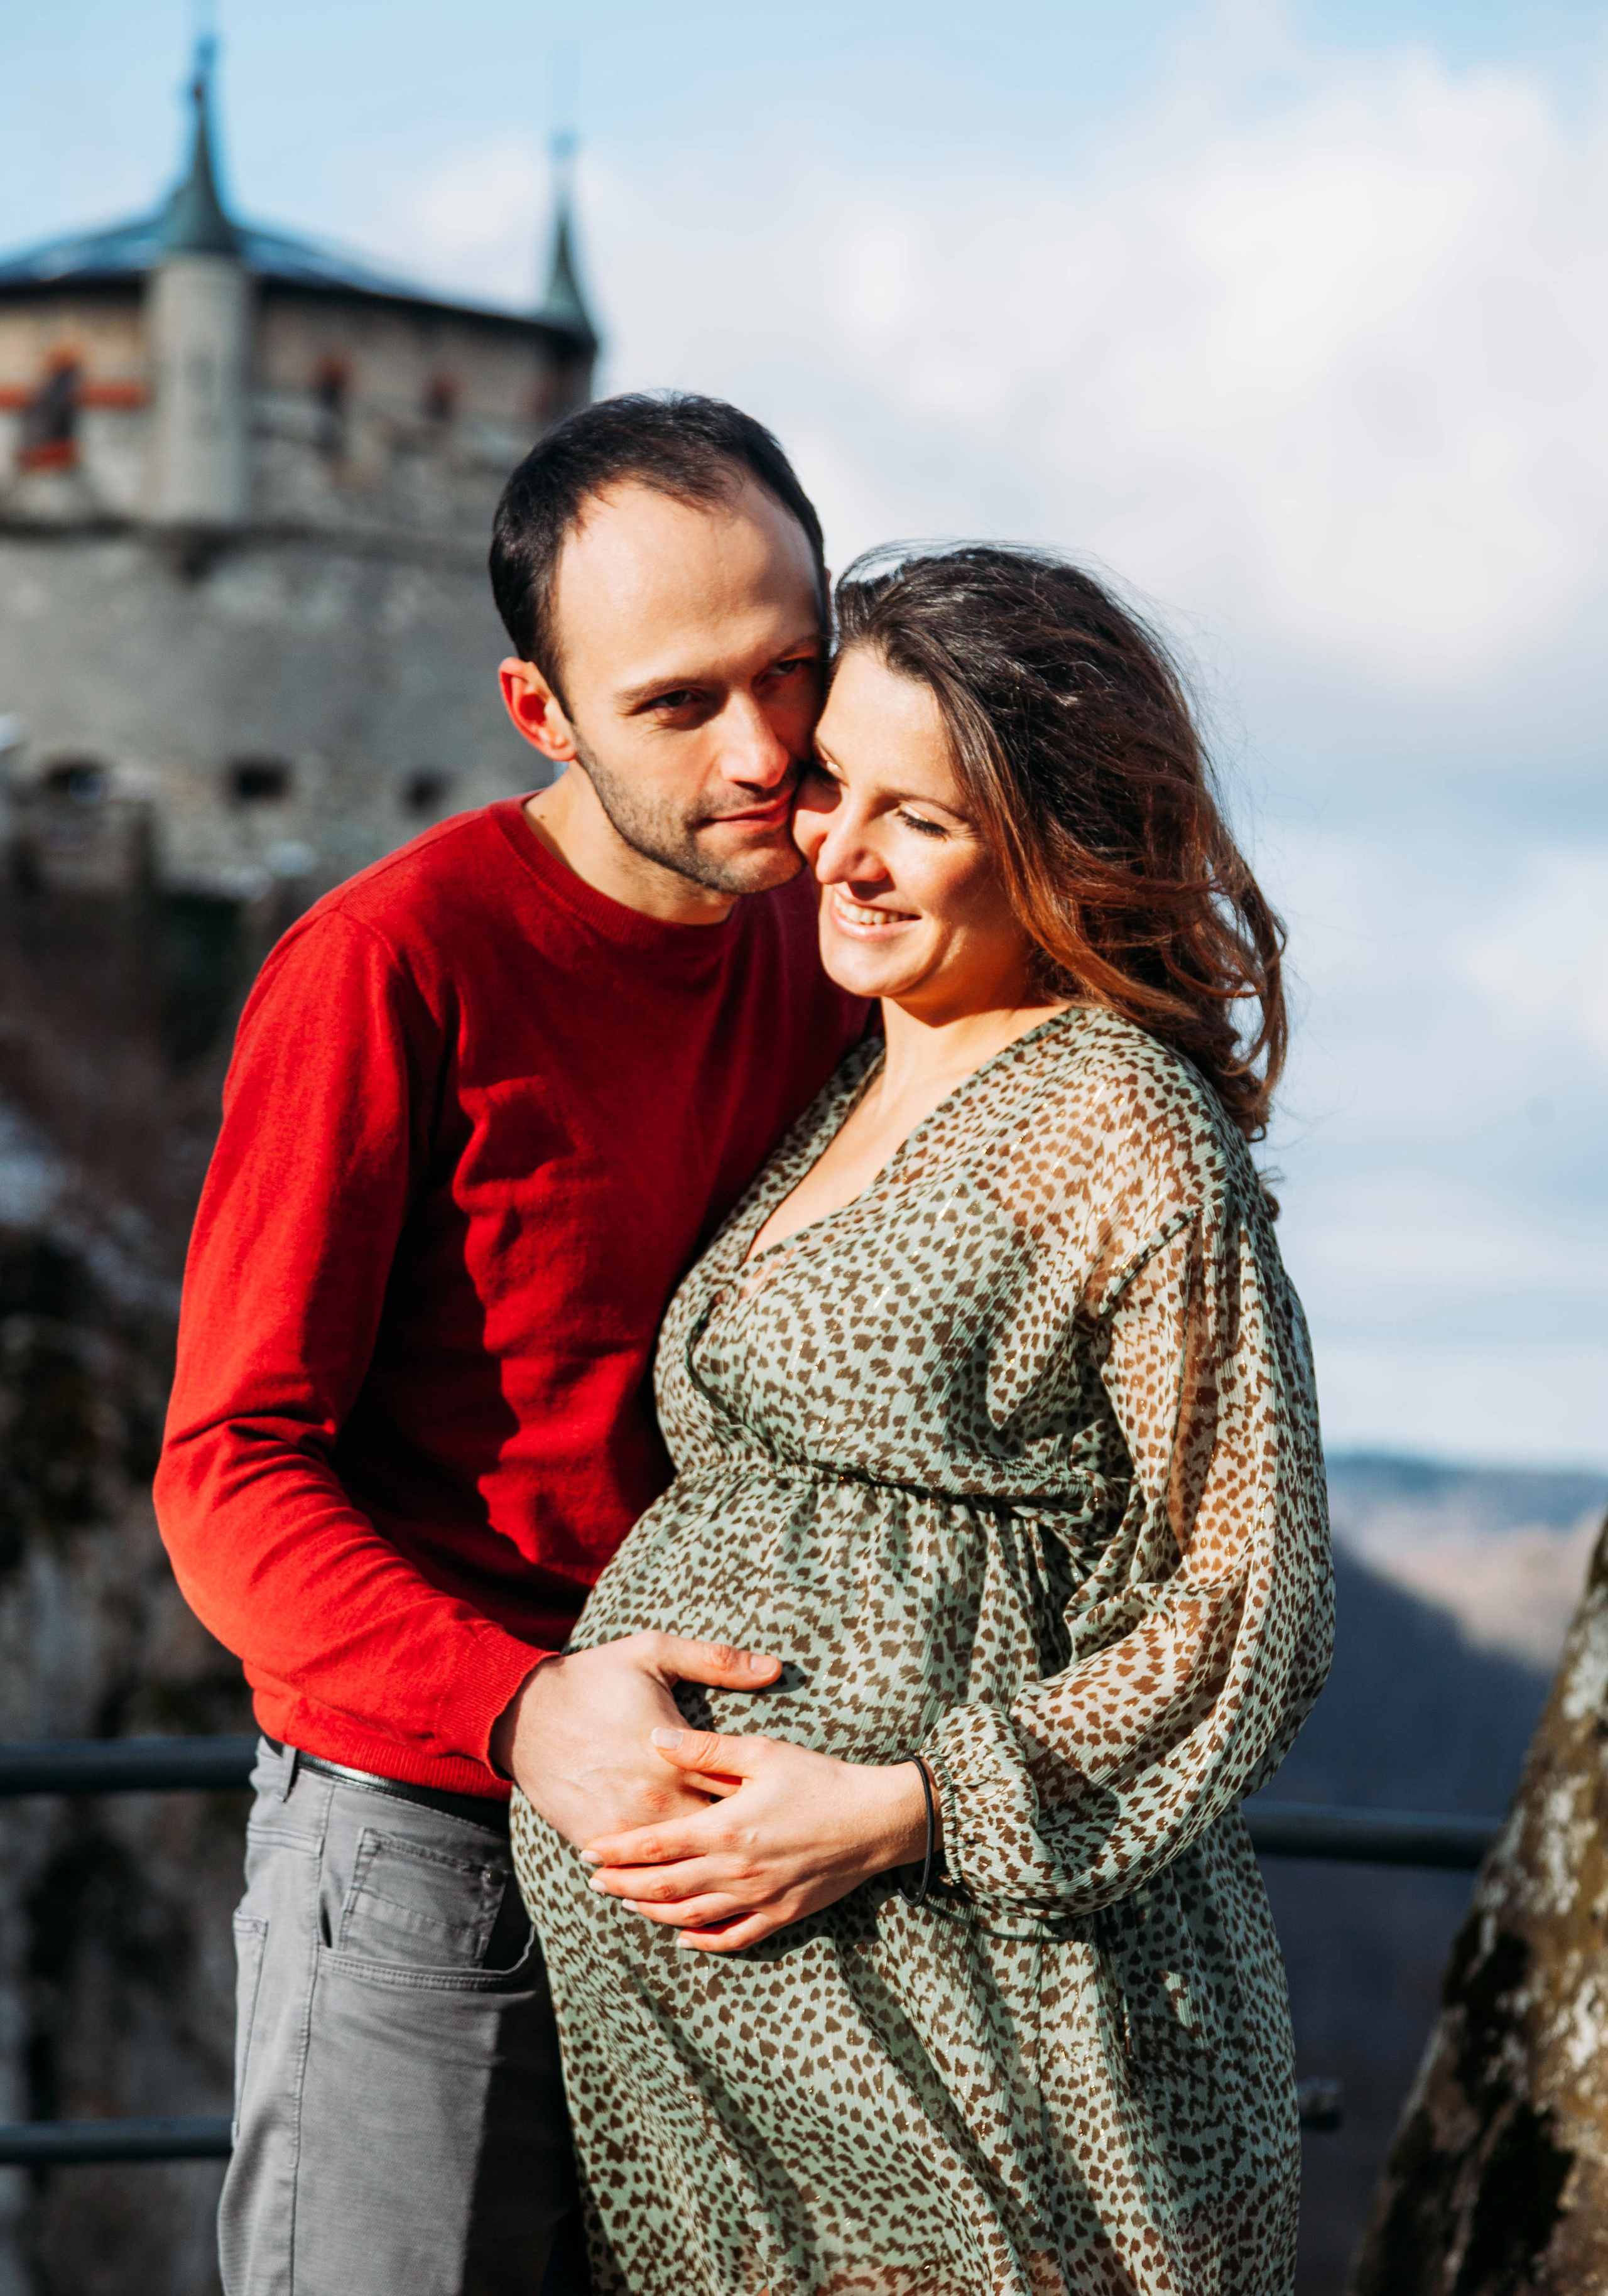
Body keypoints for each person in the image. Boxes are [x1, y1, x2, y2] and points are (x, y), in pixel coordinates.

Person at [514, 544, 1335, 2296]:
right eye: (832, 787)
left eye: (925, 823)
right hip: (731, 2092)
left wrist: (909, 1807)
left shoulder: (1116, 1115)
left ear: (1046, 850)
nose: (844, 852)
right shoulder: (847, 1077)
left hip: (994, 2029)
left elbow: (1249, 1598)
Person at [153, 393, 867, 2295]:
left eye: (799, 669)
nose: (770, 749)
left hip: (743, 1848)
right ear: (539, 713)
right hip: (430, 1844)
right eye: (681, 702)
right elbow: (225, 1471)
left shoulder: (848, 939)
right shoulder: (389, 971)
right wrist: (522, 1707)